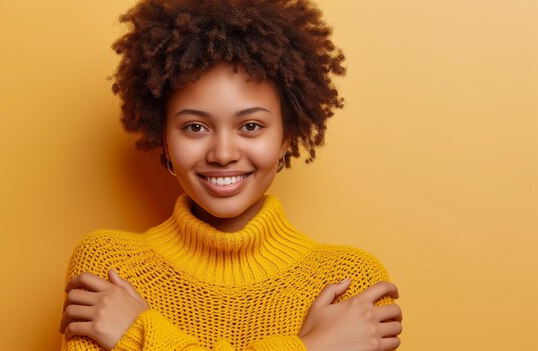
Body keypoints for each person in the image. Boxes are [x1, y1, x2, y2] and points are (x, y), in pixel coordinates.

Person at [59, 0, 403, 350]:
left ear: (286, 136)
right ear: (164, 138)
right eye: (195, 127)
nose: (223, 154)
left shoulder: (350, 285)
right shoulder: (109, 269)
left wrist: (142, 333)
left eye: (250, 126)